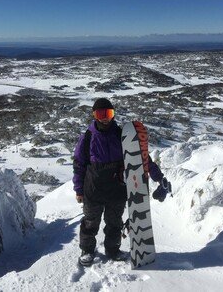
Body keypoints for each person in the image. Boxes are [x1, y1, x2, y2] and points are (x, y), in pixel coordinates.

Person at [72, 98, 171, 266]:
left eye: (108, 113)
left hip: (116, 188)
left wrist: (158, 177)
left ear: (113, 114)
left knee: (114, 222)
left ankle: (112, 249)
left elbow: (142, 160)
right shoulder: (87, 137)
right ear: (94, 115)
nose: (105, 118)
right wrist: (79, 189)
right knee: (90, 222)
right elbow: (79, 164)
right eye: (100, 114)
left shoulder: (123, 135)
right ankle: (87, 250)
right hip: (93, 189)